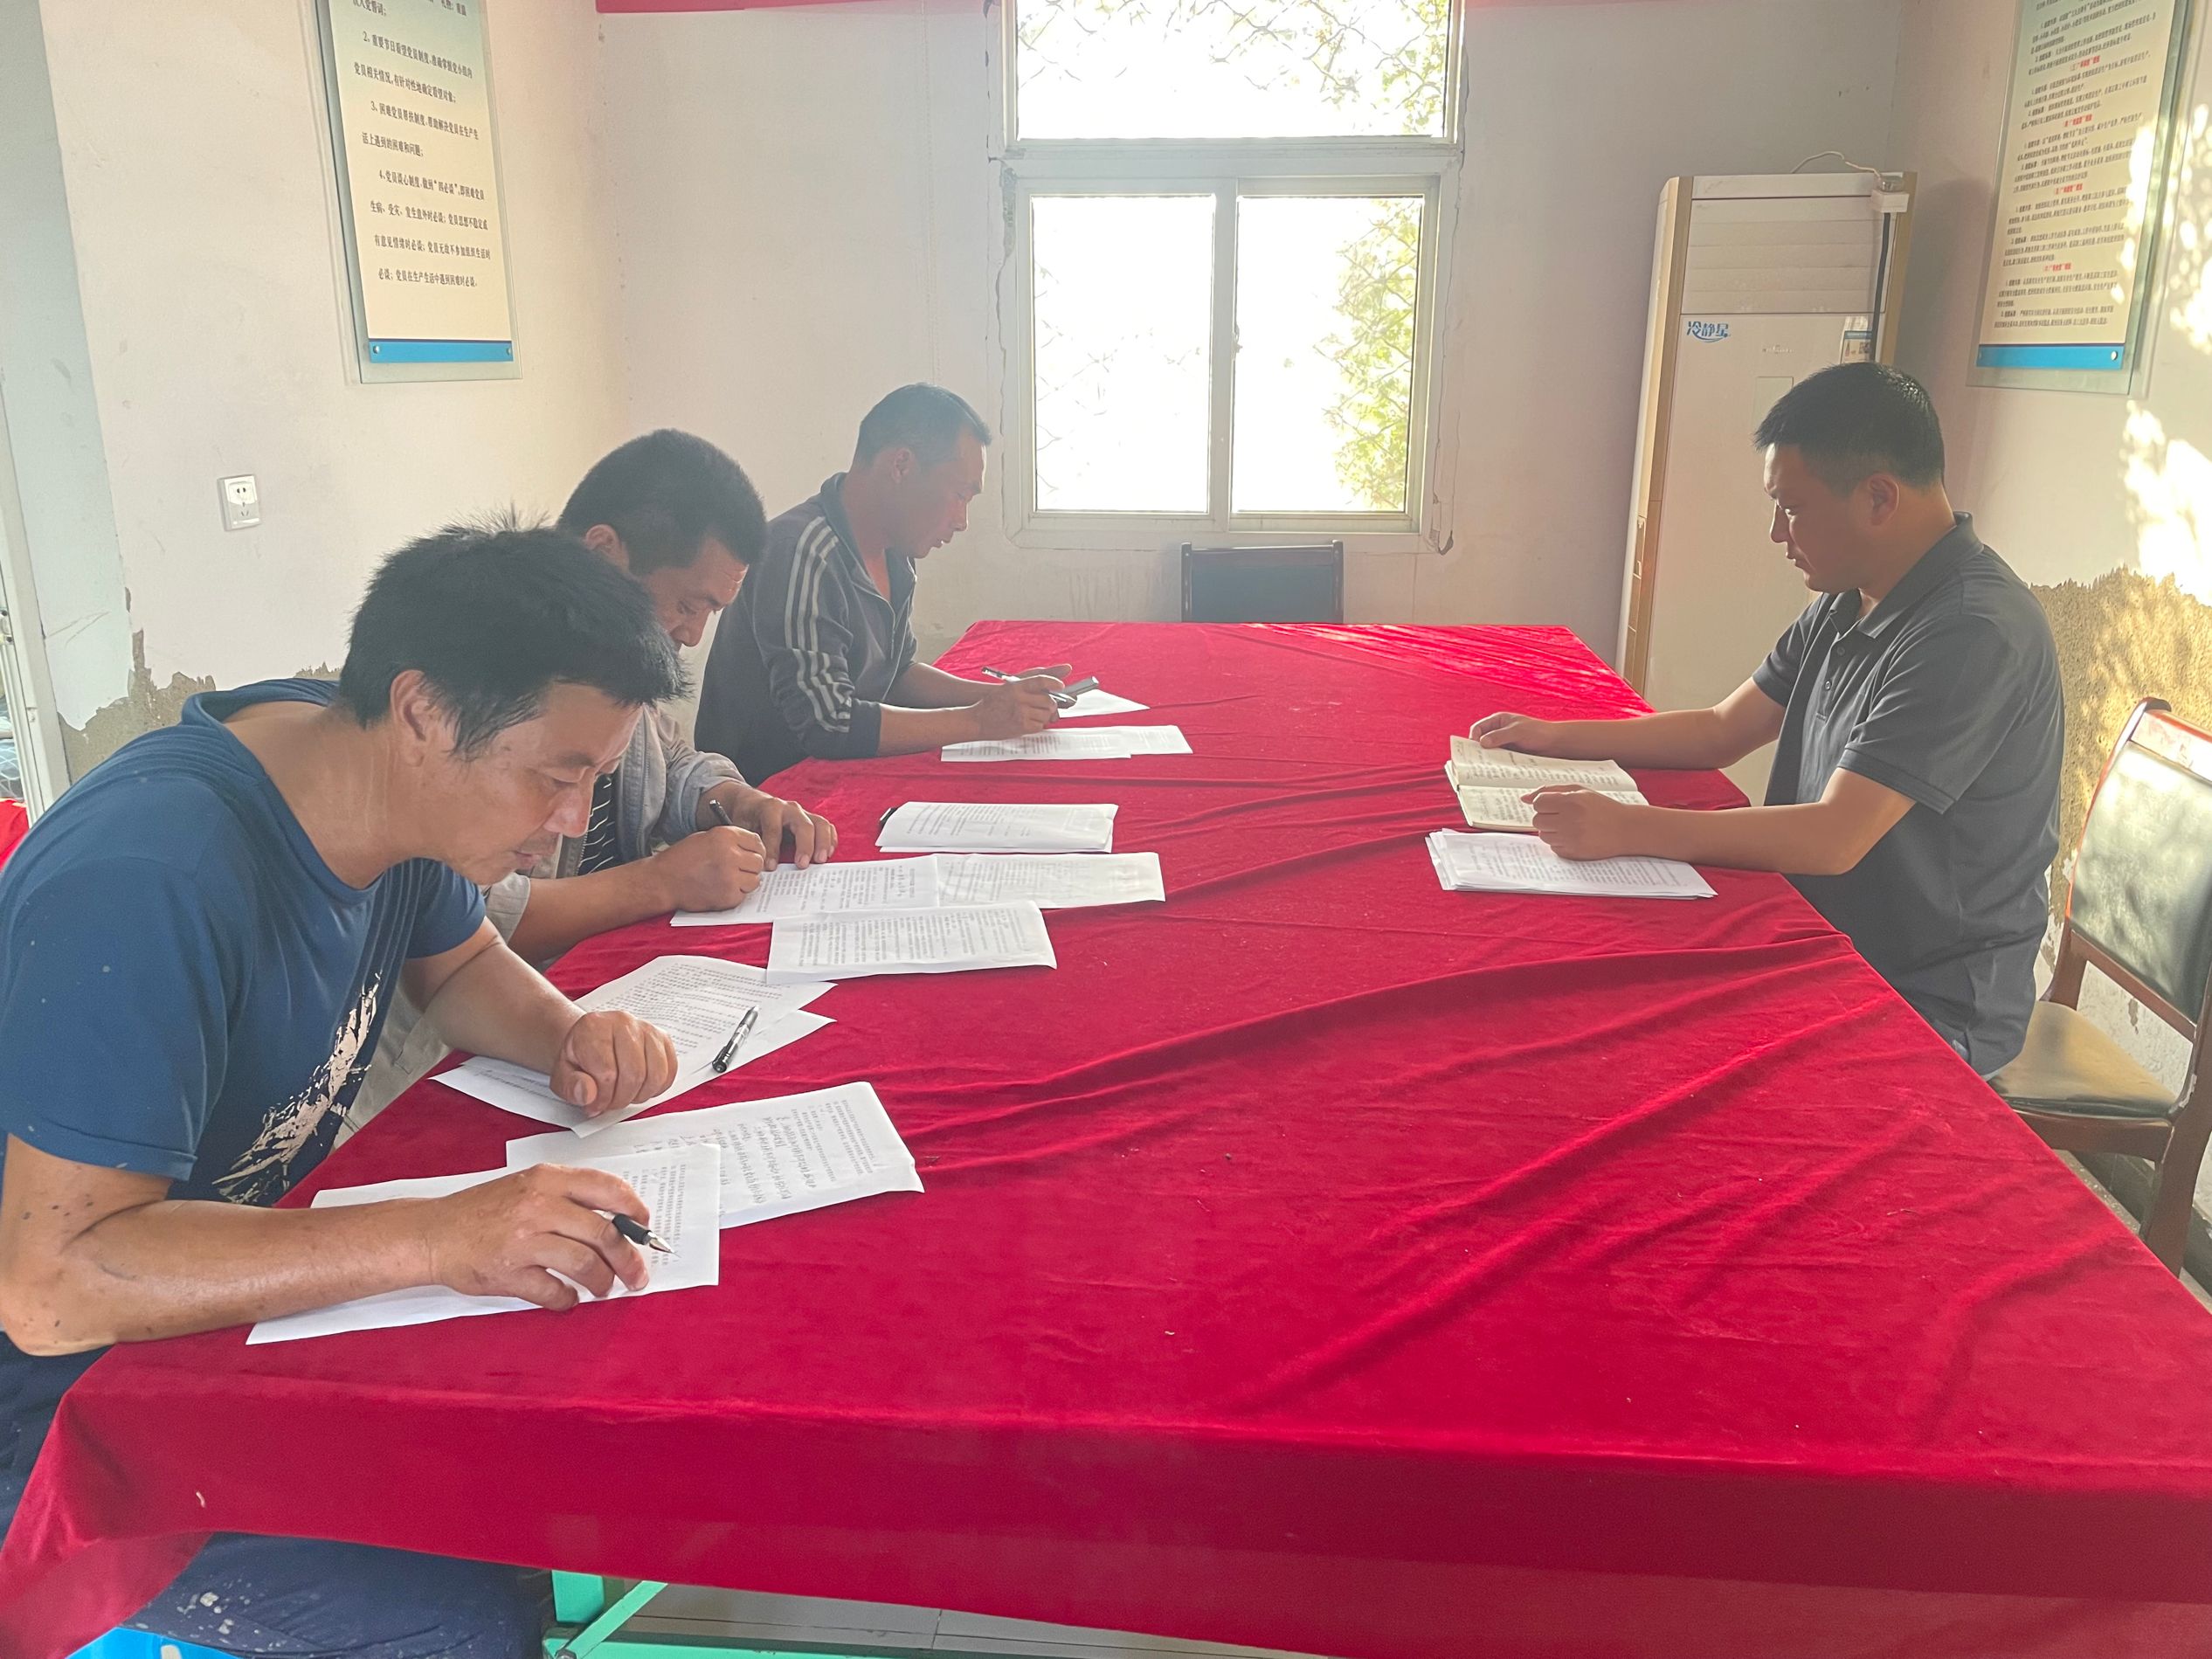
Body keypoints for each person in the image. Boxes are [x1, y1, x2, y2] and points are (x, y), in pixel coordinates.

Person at [0, 522, 696, 1656]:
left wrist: (568, 1033)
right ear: (424, 712)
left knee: (558, 1444)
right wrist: (438, 1233)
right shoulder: (150, 879)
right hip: (55, 1395)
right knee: (460, 1609)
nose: (574, 820)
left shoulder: (377, 775)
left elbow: (459, 964)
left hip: (215, 1289)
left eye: (592, 779)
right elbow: (50, 1285)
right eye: (556, 776)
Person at [1472, 363, 2061, 1075]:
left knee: (1641, 1052)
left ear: (1878, 497)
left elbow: (1837, 836)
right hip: (1818, 928)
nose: (1778, 532)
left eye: (1793, 508)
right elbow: (1723, 728)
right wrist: (1554, 737)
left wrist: (1629, 826)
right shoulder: (1852, 595)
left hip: (1922, 995)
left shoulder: (1972, 630)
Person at [351, 431, 840, 1129]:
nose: (693, 635)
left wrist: (732, 798)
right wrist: (661, 881)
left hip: (548, 1013)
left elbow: (669, 759)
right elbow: (473, 918)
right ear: (605, 552)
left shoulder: (606, 673)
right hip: (422, 1072)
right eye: (688, 604)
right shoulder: (498, 675)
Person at [696, 384, 1068, 781]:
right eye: (960, 495)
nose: (962, 521)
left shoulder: (895, 552)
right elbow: (829, 723)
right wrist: (978, 721)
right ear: (901, 466)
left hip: (848, 771)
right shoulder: (802, 552)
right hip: (766, 796)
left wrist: (998, 695)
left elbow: (896, 675)